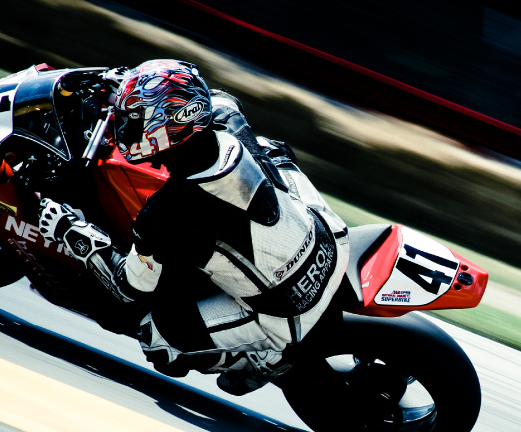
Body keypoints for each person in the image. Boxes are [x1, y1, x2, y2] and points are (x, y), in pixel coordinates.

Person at [36, 59, 350, 395]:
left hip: (287, 310)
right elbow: (215, 97)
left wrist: (73, 233)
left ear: (166, 126)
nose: (126, 128)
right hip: (330, 241)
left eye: (135, 120)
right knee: (272, 151)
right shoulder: (226, 118)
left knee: (159, 341)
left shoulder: (167, 212)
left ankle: (266, 359)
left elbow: (130, 286)